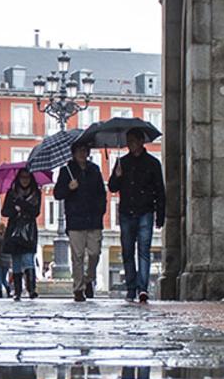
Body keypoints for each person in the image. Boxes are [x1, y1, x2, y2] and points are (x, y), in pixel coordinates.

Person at [108, 128, 164, 303]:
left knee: (144, 251)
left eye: (132, 140)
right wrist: (117, 177)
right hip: (126, 212)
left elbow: (159, 191)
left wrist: (160, 215)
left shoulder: (153, 163)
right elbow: (112, 187)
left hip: (145, 211)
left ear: (141, 141)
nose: (129, 144)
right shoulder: (121, 163)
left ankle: (142, 288)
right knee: (127, 251)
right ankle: (131, 288)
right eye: (128, 141)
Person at [54, 145, 107, 302]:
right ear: (74, 153)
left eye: (85, 151)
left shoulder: (94, 170)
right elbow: (58, 193)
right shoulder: (66, 171)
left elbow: (101, 193)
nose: (82, 154)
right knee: (77, 256)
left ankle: (88, 278)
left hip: (93, 219)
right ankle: (78, 289)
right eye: (79, 151)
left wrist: (100, 211)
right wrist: (69, 188)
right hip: (75, 219)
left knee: (94, 253)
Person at [1, 168, 43, 300]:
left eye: (27, 177)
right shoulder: (11, 193)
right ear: (18, 179)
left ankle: (31, 289)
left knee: (29, 259)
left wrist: (20, 203)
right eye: (22, 177)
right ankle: (18, 291)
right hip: (14, 229)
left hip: (29, 230)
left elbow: (35, 212)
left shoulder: (36, 194)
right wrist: (15, 210)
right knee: (17, 261)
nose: (24, 180)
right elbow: (5, 212)